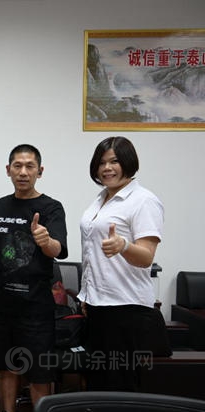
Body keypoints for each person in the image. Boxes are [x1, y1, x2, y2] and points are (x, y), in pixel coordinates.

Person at [0, 144, 68, 412]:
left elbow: (57, 250)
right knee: (8, 364)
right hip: (3, 303)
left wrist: (45, 240)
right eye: (17, 166)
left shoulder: (51, 207)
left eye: (30, 166)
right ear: (8, 170)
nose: (23, 172)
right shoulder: (0, 206)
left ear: (40, 171)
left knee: (39, 371)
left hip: (35, 306)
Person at [78, 136, 164, 392]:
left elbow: (147, 257)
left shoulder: (143, 200)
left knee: (121, 386)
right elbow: (92, 255)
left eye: (114, 161)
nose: (107, 168)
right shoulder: (100, 199)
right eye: (101, 162)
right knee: (98, 381)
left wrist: (124, 246)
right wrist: (86, 294)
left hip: (127, 308)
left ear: (128, 162)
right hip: (98, 305)